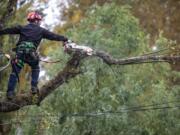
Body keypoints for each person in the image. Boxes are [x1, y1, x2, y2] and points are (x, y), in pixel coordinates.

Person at [0, 11, 68, 100]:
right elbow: (53, 36)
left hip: (20, 53)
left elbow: (9, 30)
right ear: (36, 21)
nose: (40, 22)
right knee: (35, 68)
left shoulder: (22, 28)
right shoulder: (41, 30)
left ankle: (10, 92)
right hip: (31, 54)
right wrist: (65, 39)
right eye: (39, 21)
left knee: (15, 73)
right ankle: (33, 88)